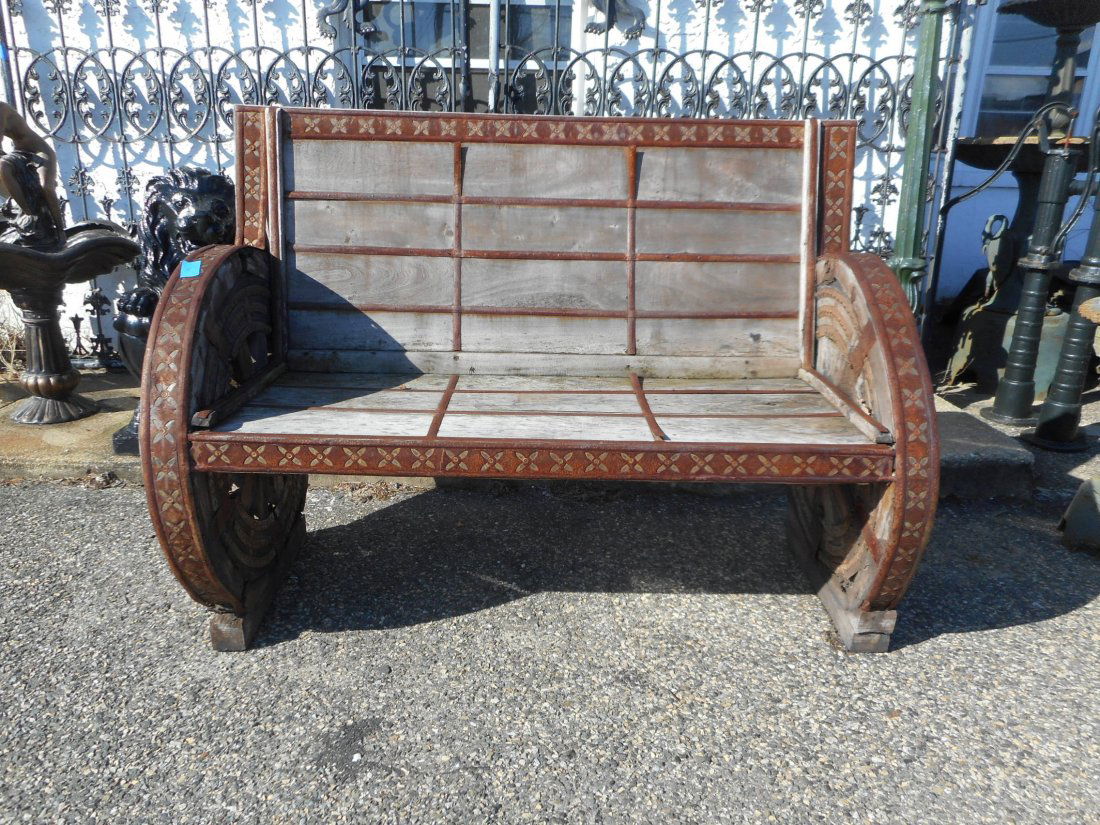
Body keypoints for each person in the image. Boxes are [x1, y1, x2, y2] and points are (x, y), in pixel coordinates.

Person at [0, 101, 64, 235]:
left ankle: (60, 230)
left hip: (39, 150)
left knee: (46, 186)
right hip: (19, 152)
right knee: (3, 165)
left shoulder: (2, 108)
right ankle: (29, 214)